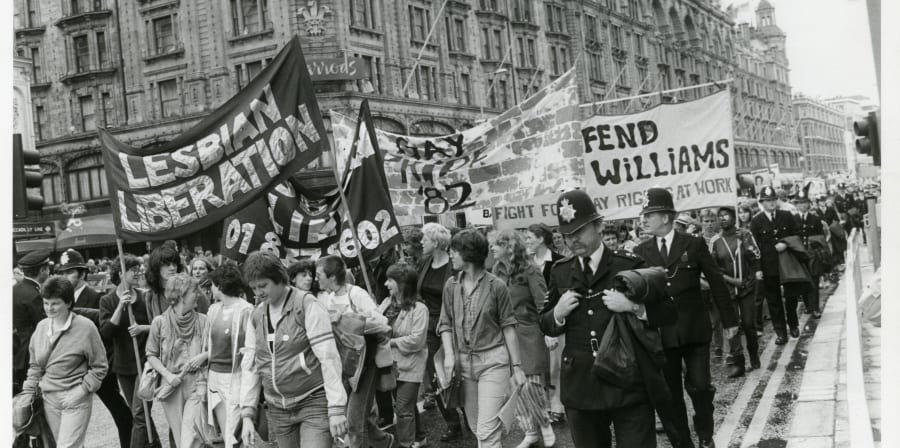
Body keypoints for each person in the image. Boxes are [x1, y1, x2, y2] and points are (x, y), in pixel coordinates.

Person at [539, 189, 676, 448]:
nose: (573, 240)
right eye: (567, 234)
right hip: (581, 384)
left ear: (599, 226)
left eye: (579, 231)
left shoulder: (629, 265)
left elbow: (668, 312)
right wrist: (557, 314)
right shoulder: (561, 271)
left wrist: (633, 307)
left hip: (627, 380)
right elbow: (544, 323)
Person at [633, 188, 738, 448]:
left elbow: (716, 281)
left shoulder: (692, 244)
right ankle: (682, 443)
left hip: (694, 330)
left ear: (667, 217)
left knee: (701, 387)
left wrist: (730, 321)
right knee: (670, 396)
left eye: (650, 214)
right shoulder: (641, 251)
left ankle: (705, 432)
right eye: (643, 214)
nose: (643, 220)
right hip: (661, 334)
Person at [239, 251, 349, 448]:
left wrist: (336, 408)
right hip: (277, 409)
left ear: (280, 279)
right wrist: (247, 413)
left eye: (263, 286)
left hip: (313, 401)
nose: (258, 293)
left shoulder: (307, 304)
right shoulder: (256, 316)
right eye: (254, 288)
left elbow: (328, 357)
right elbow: (251, 365)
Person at [438, 229, 526, 448]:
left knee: (487, 431)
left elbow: (508, 327)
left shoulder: (497, 286)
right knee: (478, 427)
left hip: (493, 362)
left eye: (454, 251)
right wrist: (449, 356)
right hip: (463, 366)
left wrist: (517, 367)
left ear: (467, 254)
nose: (451, 255)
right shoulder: (451, 285)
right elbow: (445, 323)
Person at [316, 255, 395, 448]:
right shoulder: (328, 298)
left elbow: (382, 324)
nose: (316, 279)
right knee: (358, 415)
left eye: (319, 275)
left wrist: (346, 319)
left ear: (332, 276)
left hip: (366, 364)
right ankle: (386, 442)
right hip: (345, 364)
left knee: (353, 419)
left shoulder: (356, 293)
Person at [21, 276, 108, 448]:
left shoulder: (86, 327)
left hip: (75, 398)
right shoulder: (41, 327)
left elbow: (100, 366)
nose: (49, 308)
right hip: (49, 400)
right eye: (46, 303)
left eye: (55, 303)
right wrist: (27, 393)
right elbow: (35, 366)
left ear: (68, 303)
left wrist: (82, 391)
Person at [59, 249, 134, 448]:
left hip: (97, 367)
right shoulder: (61, 299)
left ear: (82, 274)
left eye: (70, 273)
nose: (65, 278)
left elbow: (106, 335)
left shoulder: (95, 298)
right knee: (72, 422)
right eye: (63, 273)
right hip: (73, 369)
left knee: (121, 412)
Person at [491, 230, 556, 448]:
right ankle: (530, 431)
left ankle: (544, 424)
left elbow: (542, 303)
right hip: (505, 334)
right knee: (515, 386)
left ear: (508, 247)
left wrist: (548, 331)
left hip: (530, 332)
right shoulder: (496, 270)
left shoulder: (530, 269)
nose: (491, 248)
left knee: (532, 385)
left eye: (495, 245)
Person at [100, 254, 163, 448]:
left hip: (146, 363)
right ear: (120, 273)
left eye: (139, 269)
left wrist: (143, 328)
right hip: (124, 365)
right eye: (133, 270)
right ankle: (156, 445)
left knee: (139, 412)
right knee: (140, 414)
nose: (138, 273)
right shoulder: (107, 300)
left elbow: (159, 325)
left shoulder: (145, 296)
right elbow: (106, 333)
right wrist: (120, 306)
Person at [195, 263, 254, 448]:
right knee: (226, 430)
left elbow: (250, 348)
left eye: (212, 285)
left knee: (235, 431)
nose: (211, 289)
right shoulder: (213, 309)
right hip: (215, 376)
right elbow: (208, 344)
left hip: (235, 376)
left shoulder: (246, 310)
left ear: (220, 286)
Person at [145, 273, 208, 448]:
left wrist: (205, 355)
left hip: (197, 383)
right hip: (171, 385)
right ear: (181, 295)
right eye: (194, 291)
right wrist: (166, 374)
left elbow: (213, 350)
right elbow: (151, 354)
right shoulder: (160, 323)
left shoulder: (203, 321)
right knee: (181, 439)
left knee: (193, 436)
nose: (199, 294)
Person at [415, 223, 464, 440]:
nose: (420, 242)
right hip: (429, 326)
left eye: (424, 239)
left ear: (435, 242)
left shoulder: (454, 266)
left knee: (461, 374)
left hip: (453, 326)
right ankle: (452, 422)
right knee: (437, 376)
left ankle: (472, 416)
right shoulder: (424, 263)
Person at [378, 263, 429, 448]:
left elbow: (417, 341)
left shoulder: (419, 309)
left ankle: (405, 443)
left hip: (411, 365)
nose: (386, 284)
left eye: (390, 280)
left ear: (403, 283)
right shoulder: (386, 303)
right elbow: (376, 324)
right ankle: (420, 436)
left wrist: (390, 342)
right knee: (406, 406)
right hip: (390, 364)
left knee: (402, 408)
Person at [710, 207, 763, 378]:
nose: (722, 218)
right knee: (732, 326)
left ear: (734, 218)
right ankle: (738, 363)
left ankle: (754, 355)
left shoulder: (745, 235)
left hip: (746, 286)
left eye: (726, 215)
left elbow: (756, 256)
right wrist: (730, 280)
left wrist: (746, 245)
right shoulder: (715, 241)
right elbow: (713, 268)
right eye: (720, 216)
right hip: (727, 290)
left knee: (748, 323)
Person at [750, 186, 802, 345]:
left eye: (773, 200)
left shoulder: (786, 216)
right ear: (762, 203)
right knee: (774, 300)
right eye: (767, 201)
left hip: (787, 262)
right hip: (768, 265)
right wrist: (758, 268)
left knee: (791, 296)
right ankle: (780, 332)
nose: (771, 203)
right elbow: (755, 246)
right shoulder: (756, 221)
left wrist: (786, 244)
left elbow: (798, 234)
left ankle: (793, 323)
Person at [524, 223, 565, 423]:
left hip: (554, 320)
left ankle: (557, 405)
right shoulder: (526, 263)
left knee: (555, 366)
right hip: (532, 322)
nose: (527, 241)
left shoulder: (559, 261)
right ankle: (544, 406)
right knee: (539, 366)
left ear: (541, 239)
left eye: (529, 237)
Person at [13, 249, 52, 394]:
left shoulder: (15, 290)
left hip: (18, 351)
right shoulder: (34, 295)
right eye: (47, 269)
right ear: (42, 270)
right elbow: (44, 326)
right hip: (32, 353)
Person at [793, 190, 826, 318]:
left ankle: (815, 308)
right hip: (799, 256)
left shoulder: (815, 219)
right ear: (796, 205)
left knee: (814, 281)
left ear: (808, 204)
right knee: (804, 282)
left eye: (804, 203)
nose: (802, 206)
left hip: (813, 255)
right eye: (800, 203)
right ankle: (808, 306)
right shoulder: (793, 219)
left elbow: (821, 237)